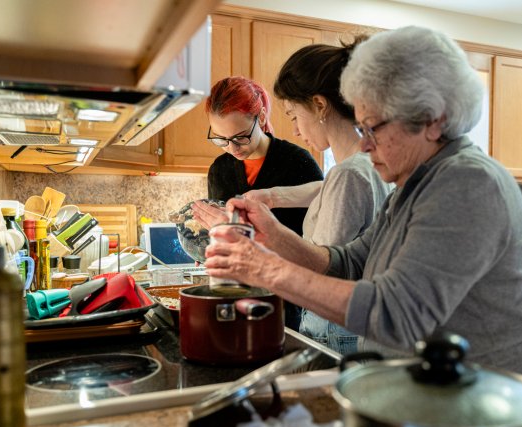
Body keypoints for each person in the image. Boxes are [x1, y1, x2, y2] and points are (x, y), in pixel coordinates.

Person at [203, 25, 522, 373]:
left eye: (374, 128)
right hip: (415, 397)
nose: (365, 145)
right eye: (361, 128)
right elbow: (349, 263)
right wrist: (274, 238)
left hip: (467, 413)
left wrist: (264, 268)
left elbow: (395, 313)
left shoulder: (467, 184)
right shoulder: (414, 185)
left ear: (433, 119)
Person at [240, 42, 392, 355]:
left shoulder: (348, 173)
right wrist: (271, 196)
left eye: (294, 116)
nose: (294, 130)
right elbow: (321, 189)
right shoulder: (366, 165)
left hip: (333, 330)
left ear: (320, 105)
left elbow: (319, 263)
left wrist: (251, 250)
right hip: (352, 326)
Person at [204, 76, 324, 330]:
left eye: (239, 137)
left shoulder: (297, 162)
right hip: (236, 293)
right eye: (221, 139)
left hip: (289, 297)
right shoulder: (220, 169)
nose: (232, 148)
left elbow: (318, 241)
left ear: (259, 117)